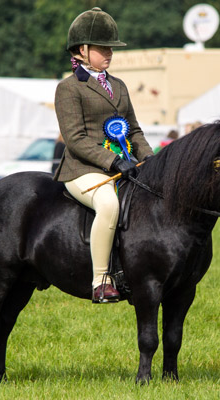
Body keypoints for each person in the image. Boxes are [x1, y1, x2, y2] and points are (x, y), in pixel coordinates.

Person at [53, 7, 154, 303]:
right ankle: (100, 281)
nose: (109, 52)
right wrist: (113, 161)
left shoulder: (119, 86)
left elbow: (133, 130)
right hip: (82, 170)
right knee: (109, 204)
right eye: (102, 48)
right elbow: (75, 139)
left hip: (122, 167)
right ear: (81, 50)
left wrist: (148, 159)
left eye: (111, 47)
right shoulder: (69, 88)